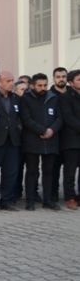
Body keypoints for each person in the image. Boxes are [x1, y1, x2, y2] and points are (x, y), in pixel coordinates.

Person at [20, 73, 62, 210]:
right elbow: (26, 119)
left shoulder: (54, 98)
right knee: (32, 171)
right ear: (32, 85)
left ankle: (48, 200)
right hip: (32, 140)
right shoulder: (26, 99)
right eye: (39, 85)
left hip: (51, 140)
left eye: (45, 85)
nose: (43, 88)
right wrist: (42, 130)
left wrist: (51, 130)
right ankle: (30, 200)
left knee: (49, 171)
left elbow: (60, 118)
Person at [0, 72, 22, 211]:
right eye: (8, 80)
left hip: (13, 141)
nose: (11, 83)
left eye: (12, 80)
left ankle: (6, 200)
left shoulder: (17, 98)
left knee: (10, 173)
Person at [60, 70, 80, 209]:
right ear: (71, 82)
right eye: (79, 79)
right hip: (71, 139)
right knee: (70, 171)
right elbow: (68, 117)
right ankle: (70, 197)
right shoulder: (66, 97)